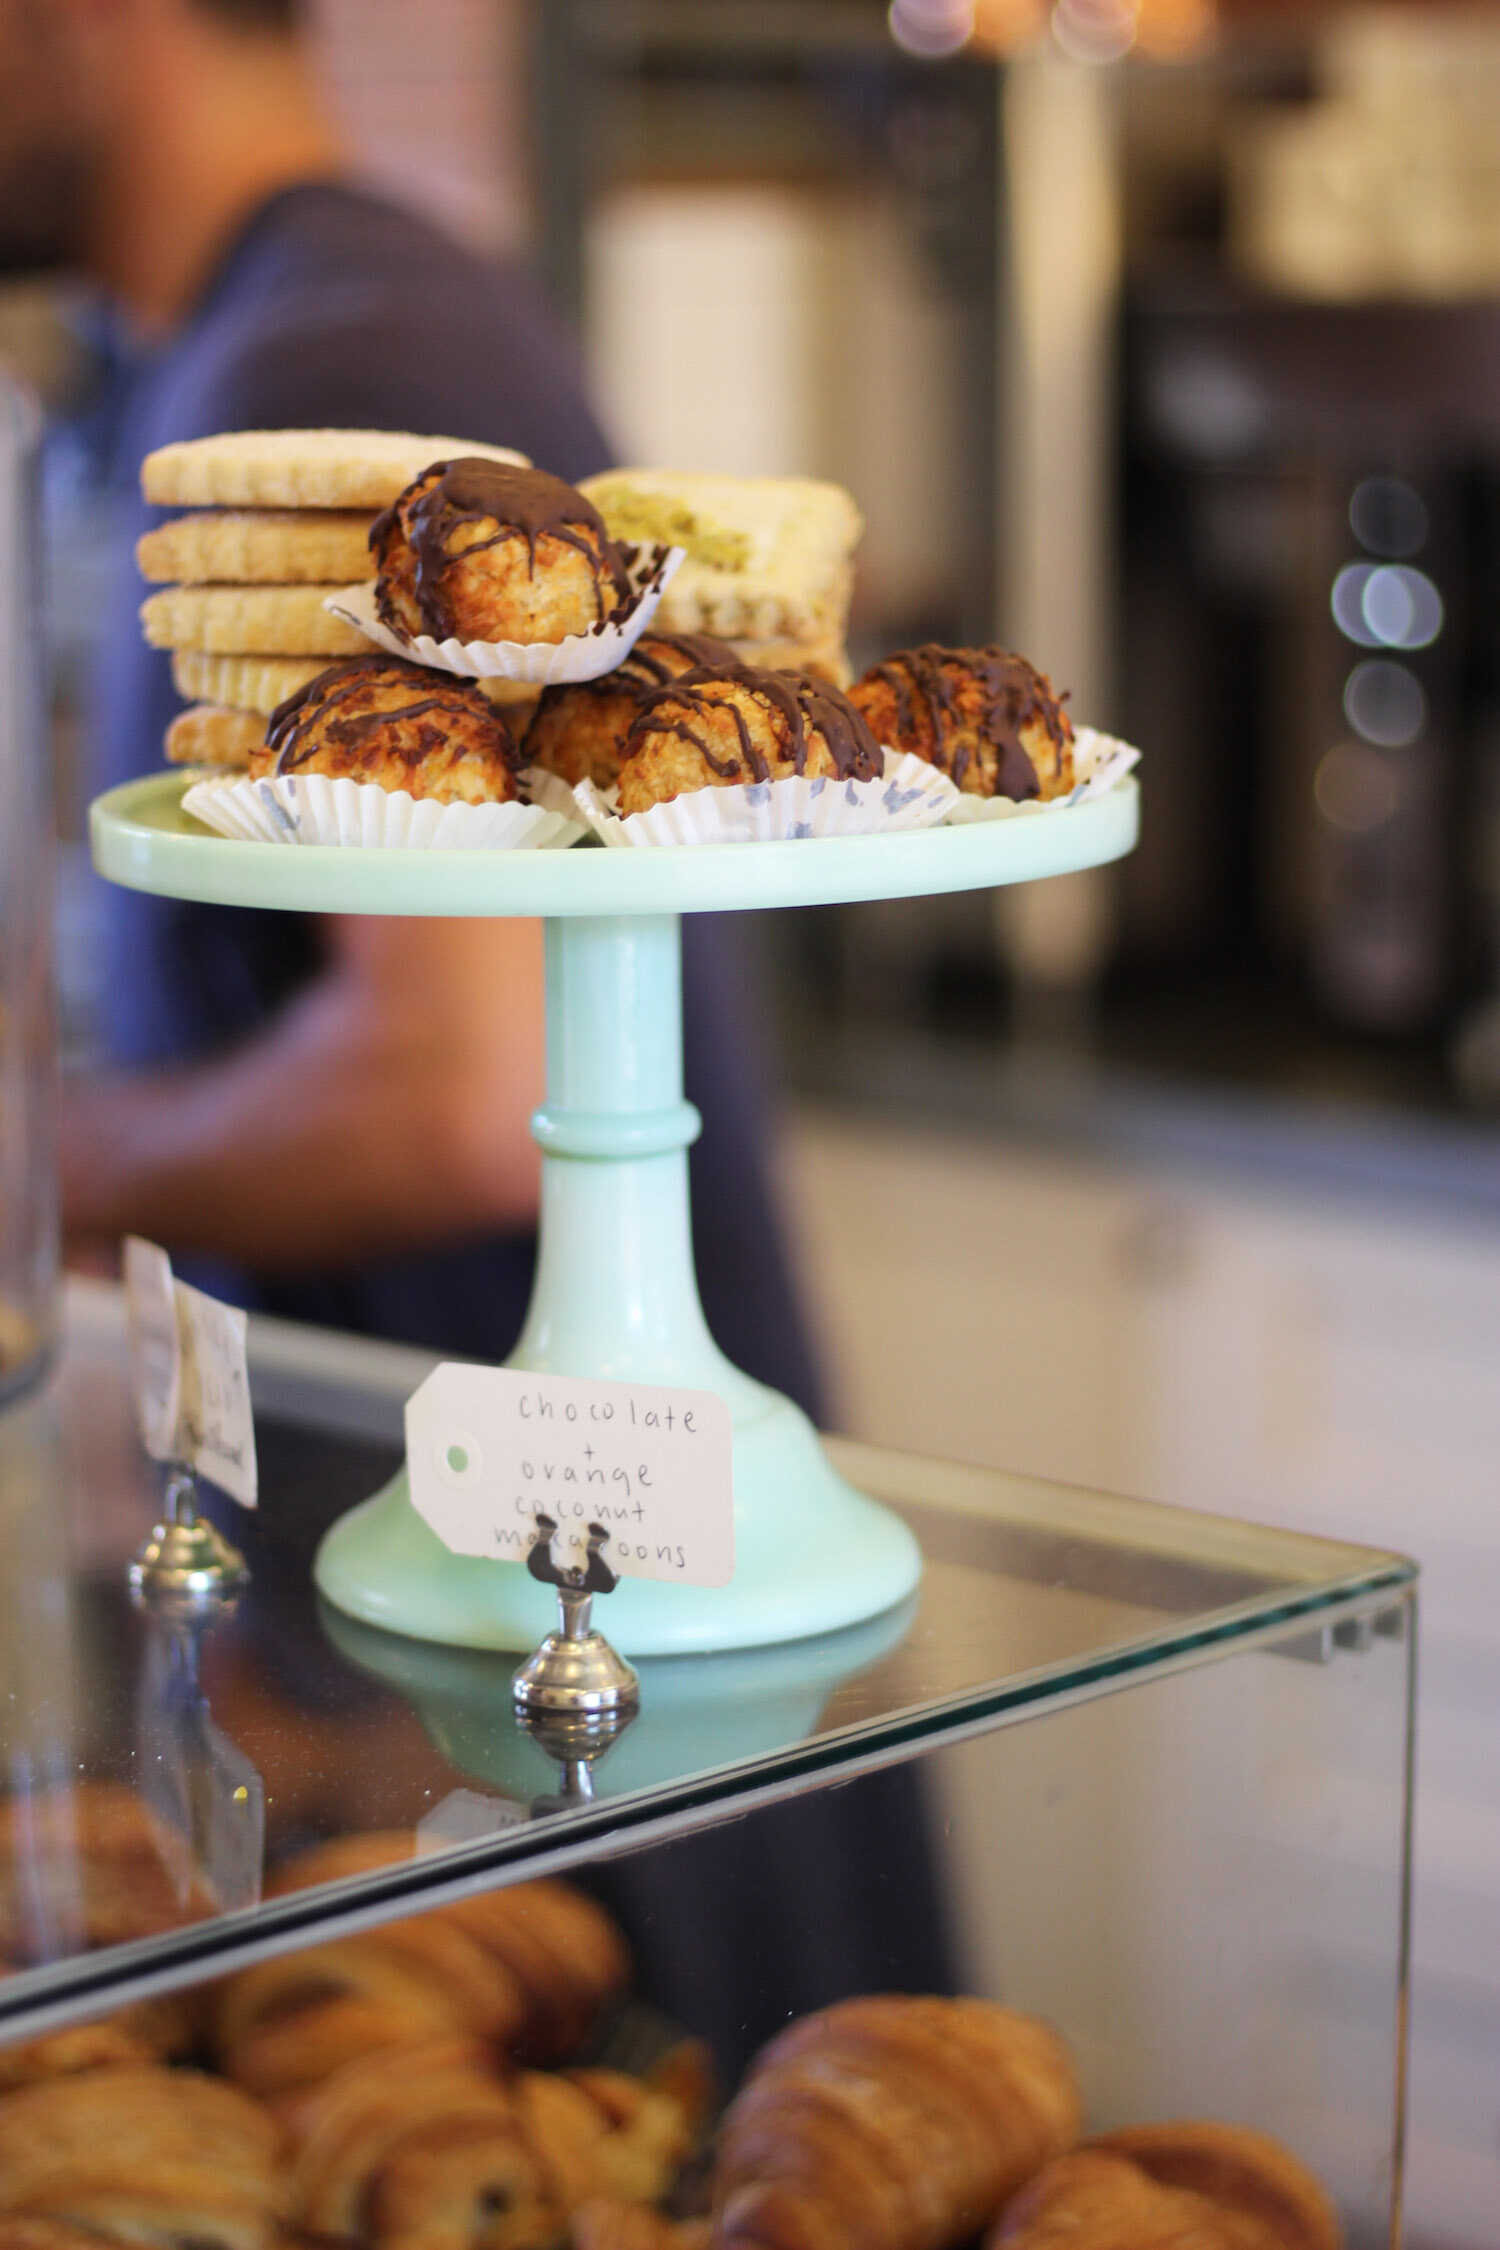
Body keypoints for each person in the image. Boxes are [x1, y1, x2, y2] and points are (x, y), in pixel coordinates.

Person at [3, 0, 823, 1412]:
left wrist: (34, 1165)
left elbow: (459, 1092)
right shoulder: (192, 354)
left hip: (558, 1546)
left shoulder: (346, 367)